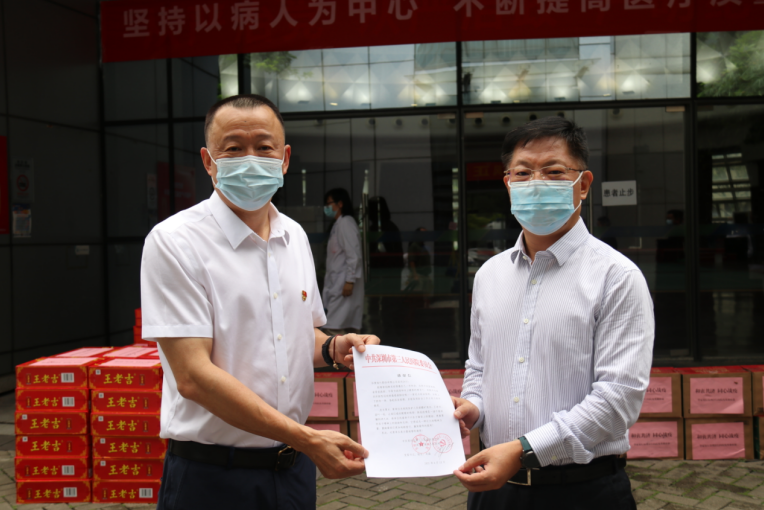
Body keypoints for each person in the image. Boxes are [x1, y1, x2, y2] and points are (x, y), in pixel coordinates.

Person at [140, 94, 380, 510]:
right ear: (209, 161)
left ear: (284, 159)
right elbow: (192, 375)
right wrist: (307, 439)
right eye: (233, 148)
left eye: (264, 147)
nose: (250, 159)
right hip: (213, 476)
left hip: (292, 472)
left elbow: (296, 335)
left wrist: (333, 346)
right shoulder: (175, 241)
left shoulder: (294, 236)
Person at [451, 116, 654, 509]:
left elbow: (618, 401)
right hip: (494, 493)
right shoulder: (490, 274)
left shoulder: (616, 277)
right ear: (508, 183)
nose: (536, 183)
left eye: (554, 171)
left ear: (584, 184)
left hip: (583, 491)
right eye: (523, 172)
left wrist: (523, 450)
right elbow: (479, 367)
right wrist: (473, 406)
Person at [323, 188, 364, 335]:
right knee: (342, 325)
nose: (327, 207)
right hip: (337, 281)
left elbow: (353, 254)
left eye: (329, 203)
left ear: (340, 204)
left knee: (333, 326)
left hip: (344, 283)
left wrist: (350, 281)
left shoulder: (346, 223)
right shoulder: (338, 224)